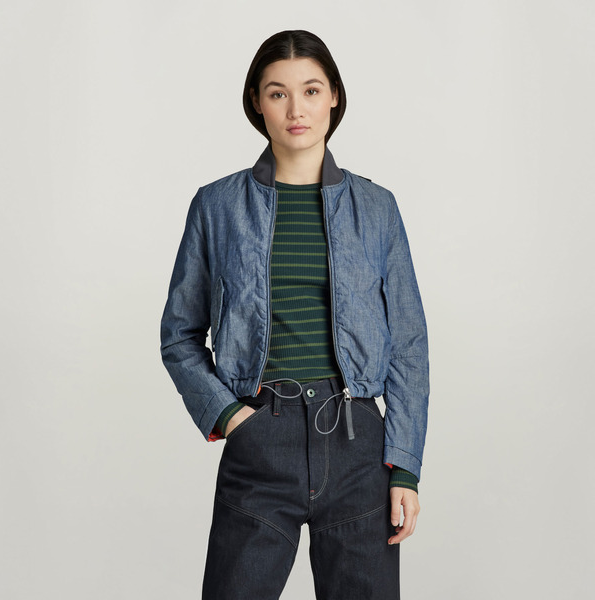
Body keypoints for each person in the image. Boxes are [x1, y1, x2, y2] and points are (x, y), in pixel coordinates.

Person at [160, 29, 429, 600]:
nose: (296, 109)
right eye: (277, 93)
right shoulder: (217, 206)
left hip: (360, 448)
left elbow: (408, 343)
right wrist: (232, 417)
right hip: (261, 437)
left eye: (311, 90)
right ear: (257, 102)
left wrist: (404, 466)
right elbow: (179, 336)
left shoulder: (377, 208)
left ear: (334, 96)